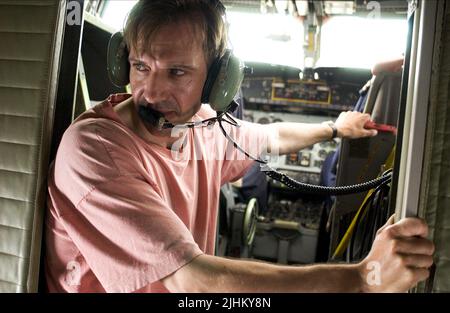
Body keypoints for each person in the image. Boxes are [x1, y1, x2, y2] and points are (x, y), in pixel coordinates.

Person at [45, 0, 434, 293]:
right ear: (122, 62)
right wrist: (364, 279)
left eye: (176, 72)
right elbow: (193, 279)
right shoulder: (95, 150)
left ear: (218, 79)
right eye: (140, 66)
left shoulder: (197, 129)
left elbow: (271, 138)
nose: (151, 92)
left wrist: (334, 129)